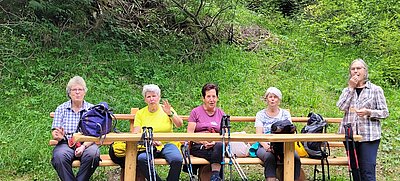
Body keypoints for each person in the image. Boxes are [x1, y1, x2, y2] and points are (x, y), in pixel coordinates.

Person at [109, 84, 183, 181]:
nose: (152, 99)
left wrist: (170, 114)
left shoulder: (166, 109)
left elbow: (179, 124)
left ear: (159, 97)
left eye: (154, 96)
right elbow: (136, 133)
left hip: (167, 144)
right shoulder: (140, 113)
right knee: (142, 159)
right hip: (149, 146)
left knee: (177, 159)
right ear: (145, 99)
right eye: (148, 96)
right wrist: (149, 141)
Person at [336, 58, 389, 181]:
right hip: (350, 136)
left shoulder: (375, 90)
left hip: (369, 136)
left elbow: (385, 112)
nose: (355, 71)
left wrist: (369, 112)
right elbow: (341, 107)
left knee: (367, 171)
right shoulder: (347, 90)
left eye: (358, 68)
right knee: (356, 171)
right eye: (353, 69)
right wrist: (350, 88)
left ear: (365, 71)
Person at [51, 76, 100, 181]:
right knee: (59, 156)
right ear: (69, 93)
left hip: (87, 144)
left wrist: (82, 147)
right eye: (74, 90)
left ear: (84, 92)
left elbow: (95, 135)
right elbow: (56, 132)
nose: (77, 92)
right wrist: (57, 136)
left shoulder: (92, 109)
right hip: (66, 143)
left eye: (80, 89)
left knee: (93, 155)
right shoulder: (61, 109)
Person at [255, 87, 302, 181]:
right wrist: (267, 146)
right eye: (270, 97)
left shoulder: (285, 114)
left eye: (275, 97)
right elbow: (259, 135)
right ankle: (271, 179)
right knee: (269, 157)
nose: (272, 99)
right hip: (265, 144)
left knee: (295, 157)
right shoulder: (260, 114)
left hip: (284, 145)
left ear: (279, 100)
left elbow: (290, 131)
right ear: (266, 99)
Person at [187, 83, 225, 181]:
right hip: (199, 145)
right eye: (208, 96)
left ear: (217, 98)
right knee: (218, 152)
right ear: (203, 98)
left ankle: (214, 176)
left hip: (216, 145)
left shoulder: (221, 113)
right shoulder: (195, 112)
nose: (211, 99)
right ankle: (216, 176)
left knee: (219, 146)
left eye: (214, 96)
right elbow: (189, 134)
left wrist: (214, 142)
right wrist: (203, 141)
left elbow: (225, 135)